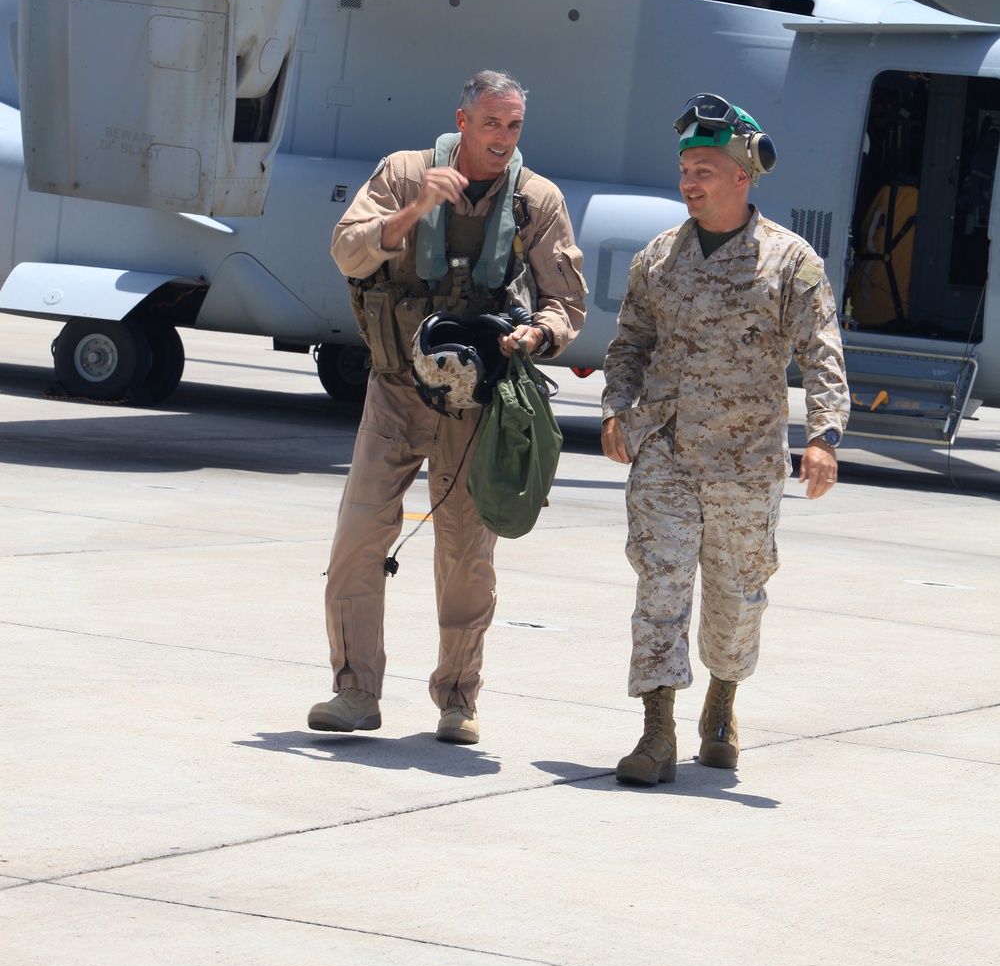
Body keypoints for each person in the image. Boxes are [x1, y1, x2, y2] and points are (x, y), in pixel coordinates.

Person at [309, 71, 586, 745]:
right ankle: (355, 692)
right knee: (358, 538)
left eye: (514, 126)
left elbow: (566, 304)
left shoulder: (535, 200)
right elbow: (346, 251)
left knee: (466, 553)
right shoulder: (404, 174)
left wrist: (535, 334)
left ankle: (458, 698)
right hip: (395, 388)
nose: (503, 138)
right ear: (462, 121)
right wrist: (412, 213)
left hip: (473, 402)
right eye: (491, 124)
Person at [601, 93, 849, 786]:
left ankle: (722, 701)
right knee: (660, 588)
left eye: (705, 168)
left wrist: (824, 436)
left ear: (743, 175)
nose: (690, 180)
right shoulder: (658, 258)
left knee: (738, 601)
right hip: (667, 455)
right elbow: (630, 344)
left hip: (746, 464)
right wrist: (617, 410)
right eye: (685, 168)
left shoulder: (788, 262)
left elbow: (821, 352)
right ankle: (656, 733)